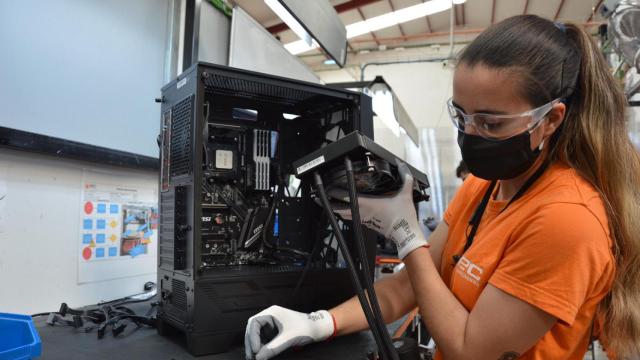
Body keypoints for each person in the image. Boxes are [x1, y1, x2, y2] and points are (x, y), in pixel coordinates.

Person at [245, 15, 640, 360]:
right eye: (462, 115)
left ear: (550, 120)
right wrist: (318, 323)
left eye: (490, 123)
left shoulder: (567, 220)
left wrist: (406, 234)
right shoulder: (484, 187)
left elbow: (472, 350)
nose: (470, 134)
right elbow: (406, 288)